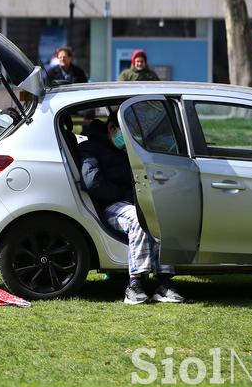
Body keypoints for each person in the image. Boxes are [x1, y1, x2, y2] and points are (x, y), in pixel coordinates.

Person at [78, 117, 184, 305]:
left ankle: (164, 284)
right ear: (111, 128)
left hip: (137, 202)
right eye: (125, 133)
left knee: (160, 216)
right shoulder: (91, 148)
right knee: (139, 219)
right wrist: (125, 194)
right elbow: (93, 183)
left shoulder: (129, 150)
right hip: (111, 205)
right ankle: (134, 285)